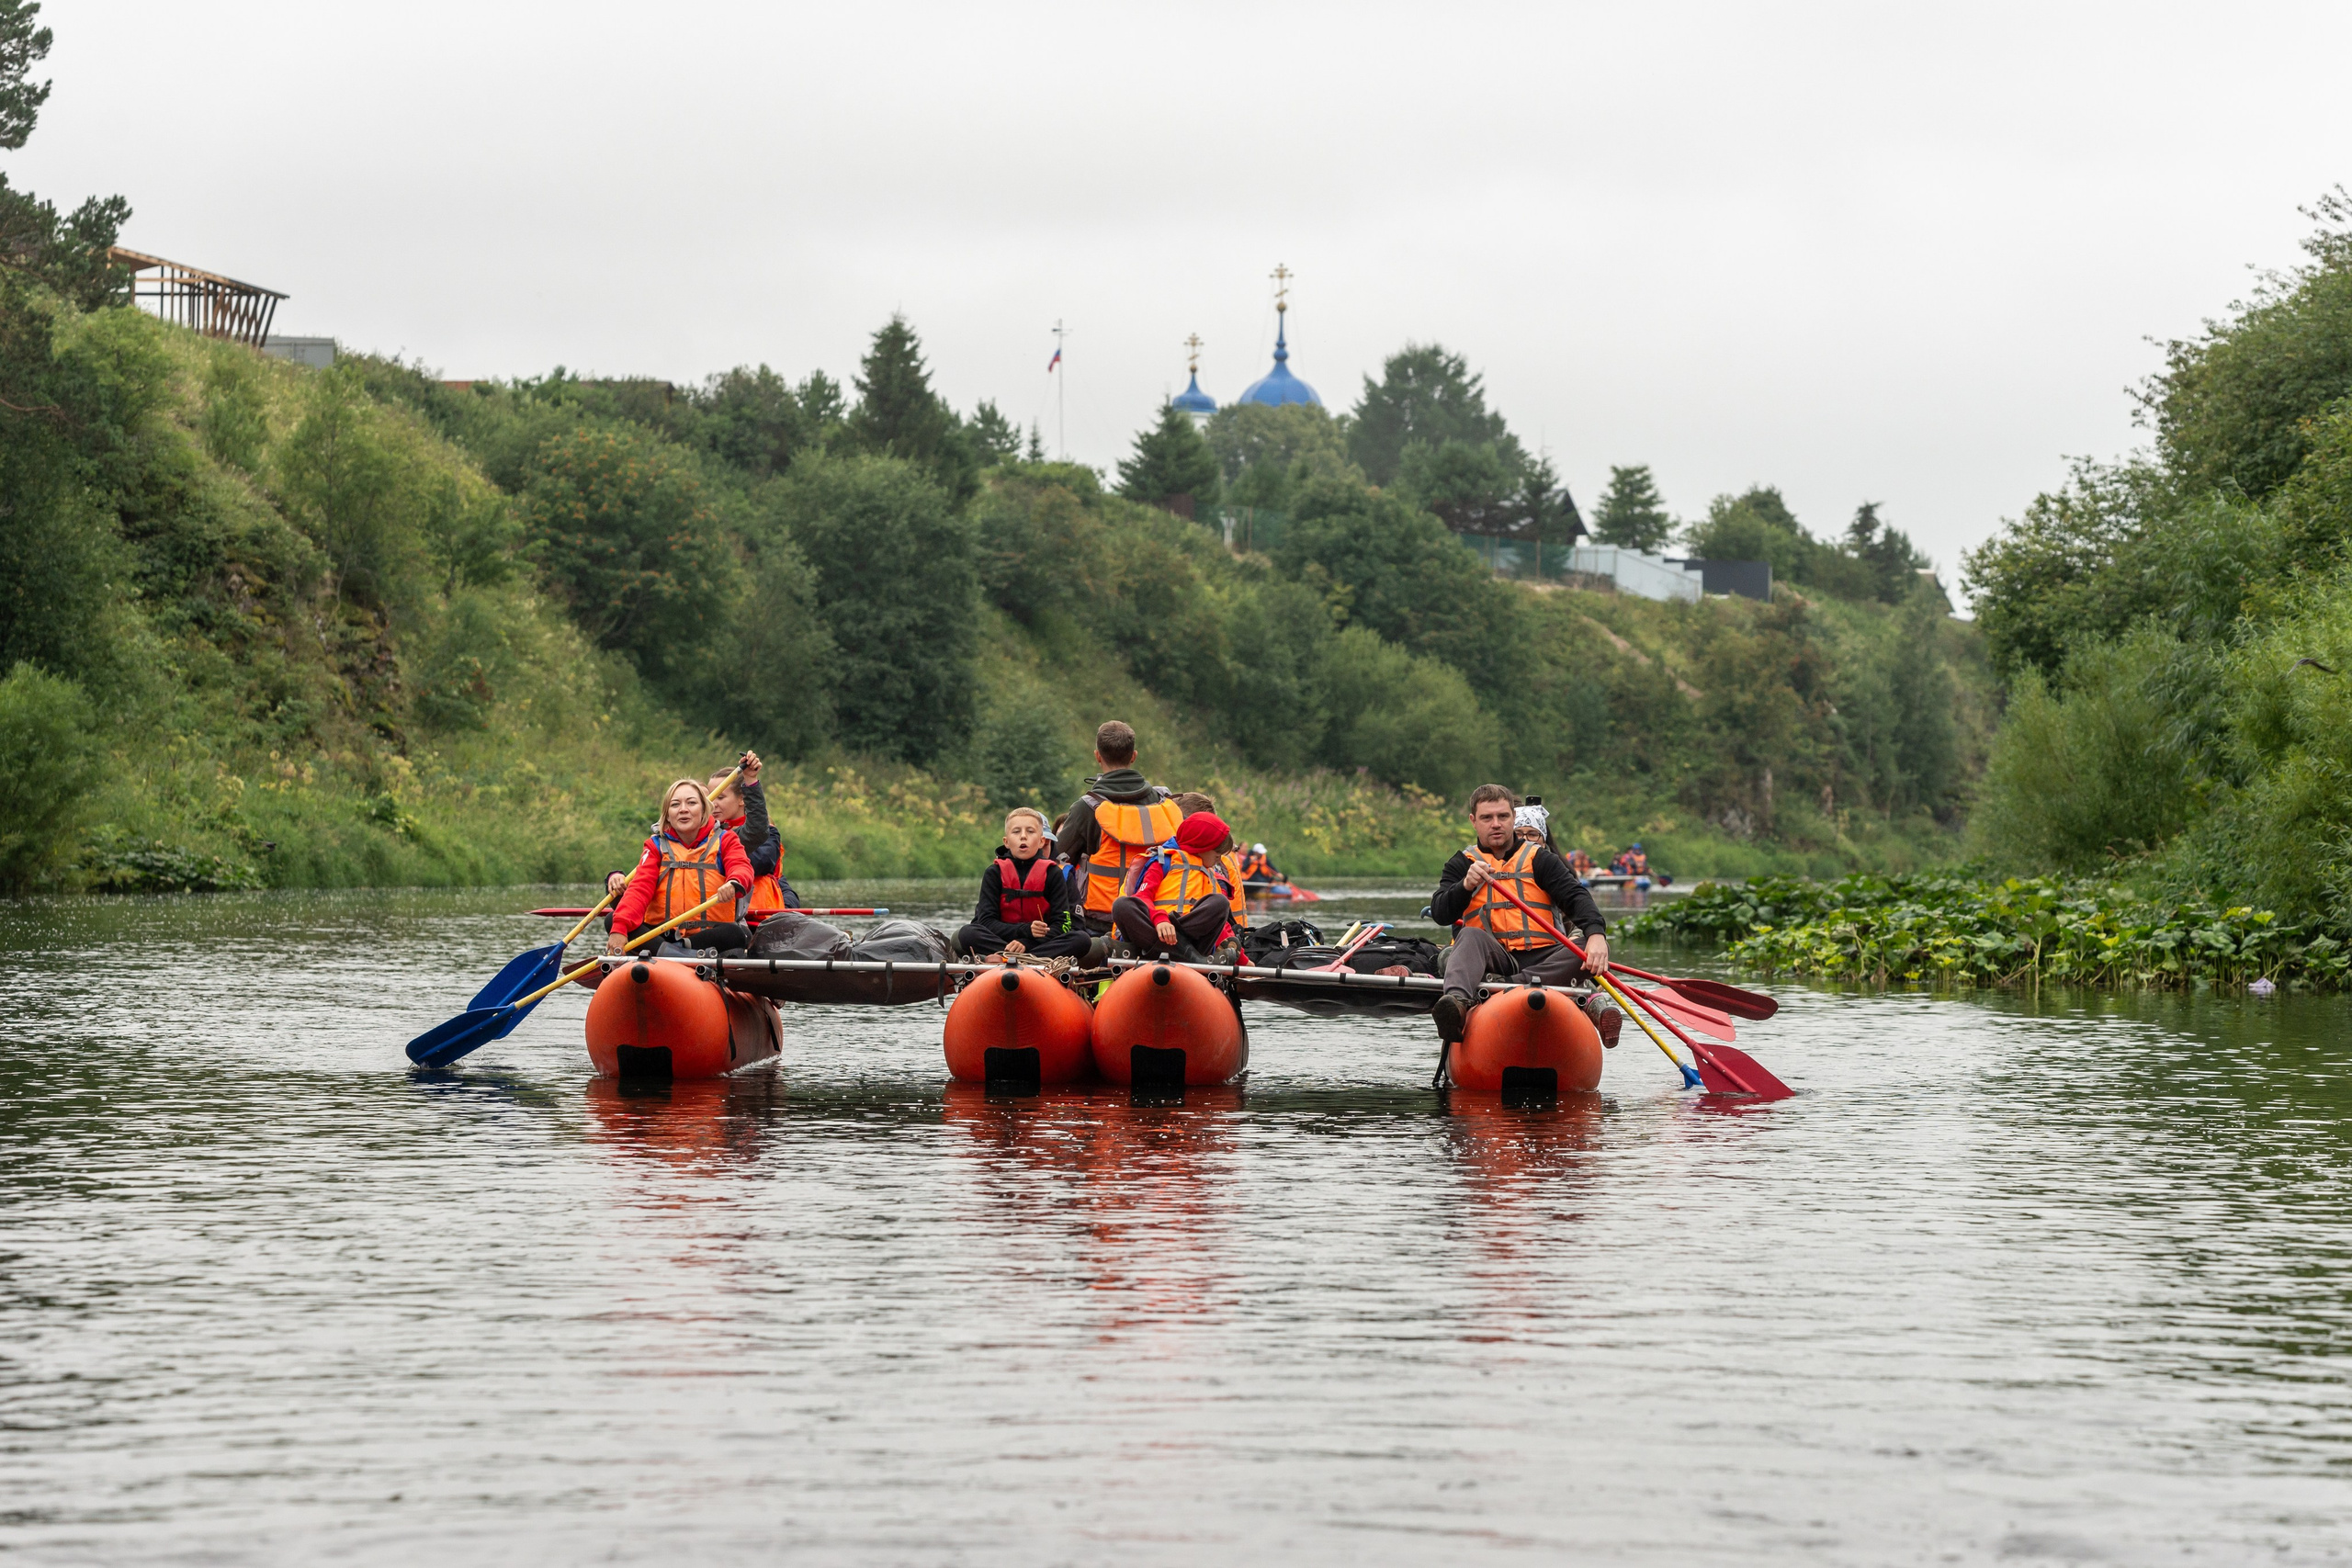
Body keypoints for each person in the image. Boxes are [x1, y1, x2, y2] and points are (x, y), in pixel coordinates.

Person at [1428, 784, 1621, 1047]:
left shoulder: (1541, 859)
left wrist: (1597, 935)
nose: (1496, 824)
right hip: (1494, 958)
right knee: (1469, 934)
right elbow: (1440, 912)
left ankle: (1512, 985)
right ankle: (1456, 1005)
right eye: (1487, 818)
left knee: (1588, 944)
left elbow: (1578, 898)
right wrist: (1464, 886)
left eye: (1503, 817)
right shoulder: (1461, 863)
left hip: (1544, 956)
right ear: (1474, 821)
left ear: (1512, 818)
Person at [1055, 720, 1182, 935]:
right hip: (1157, 921)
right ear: (1133, 756)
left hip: (1099, 924)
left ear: (1097, 756)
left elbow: (1056, 858)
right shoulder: (1165, 803)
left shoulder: (1087, 808)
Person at [607, 778, 752, 954]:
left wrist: (734, 882)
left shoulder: (726, 839)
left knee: (736, 933)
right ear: (667, 814)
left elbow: (741, 867)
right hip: (662, 933)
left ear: (704, 810)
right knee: (613, 921)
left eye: (691, 803)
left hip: (705, 936)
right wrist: (619, 928)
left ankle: (672, 953)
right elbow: (639, 888)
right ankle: (678, 953)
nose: (683, 809)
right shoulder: (655, 846)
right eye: (675, 805)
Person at [956, 807, 1095, 961]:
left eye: (1030, 831)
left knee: (1081, 939)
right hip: (1004, 941)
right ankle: (1015, 955)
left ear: (1042, 841)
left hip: (1038, 944)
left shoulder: (1054, 874)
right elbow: (986, 922)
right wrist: (1025, 930)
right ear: (1006, 842)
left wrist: (1026, 943)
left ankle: (1020, 957)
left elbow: (1062, 925)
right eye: (1016, 832)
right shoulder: (993, 873)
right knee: (967, 933)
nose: (1023, 836)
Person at [1111, 810, 1240, 961]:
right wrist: (1161, 920)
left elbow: (1221, 928)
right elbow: (1142, 897)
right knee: (1122, 905)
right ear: (1200, 847)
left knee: (1220, 903)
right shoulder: (1163, 861)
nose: (1218, 861)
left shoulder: (1213, 878)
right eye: (1217, 856)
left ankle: (1160, 951)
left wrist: (1244, 961)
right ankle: (1192, 957)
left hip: (1185, 941)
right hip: (1158, 930)